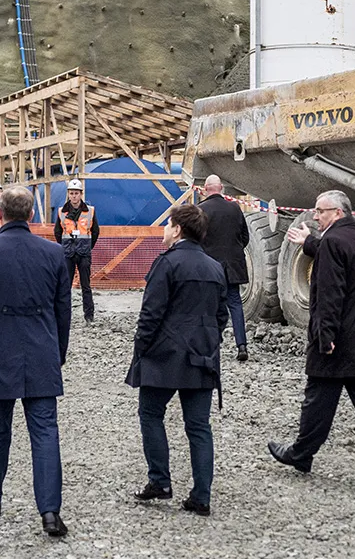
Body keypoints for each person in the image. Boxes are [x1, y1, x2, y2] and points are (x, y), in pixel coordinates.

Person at [0, 185, 71, 537]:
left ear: (0, 214)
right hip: (41, 352)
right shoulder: (54, 254)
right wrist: (58, 354)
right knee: (45, 432)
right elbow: (62, 311)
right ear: (32, 215)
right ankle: (50, 512)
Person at [268, 190, 355, 493]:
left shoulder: (333, 243)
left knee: (317, 403)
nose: (315, 215)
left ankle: (300, 455)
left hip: (337, 342)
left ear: (337, 213)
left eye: (320, 211)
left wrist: (325, 337)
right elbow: (343, 262)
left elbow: (329, 294)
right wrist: (311, 244)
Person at [125, 204, 227, 517]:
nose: (164, 230)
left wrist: (141, 346)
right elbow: (221, 315)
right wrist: (209, 340)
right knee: (199, 427)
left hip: (165, 356)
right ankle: (202, 496)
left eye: (167, 224)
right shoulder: (215, 267)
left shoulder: (166, 264)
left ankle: (160, 481)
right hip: (203, 355)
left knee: (151, 414)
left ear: (178, 229)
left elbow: (151, 313)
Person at [198, 174, 250, 361]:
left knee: (209, 305)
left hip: (210, 266)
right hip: (233, 265)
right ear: (221, 188)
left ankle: (211, 346)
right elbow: (245, 237)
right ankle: (242, 345)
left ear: (205, 189)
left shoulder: (201, 210)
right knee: (235, 304)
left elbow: (197, 239)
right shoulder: (235, 208)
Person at [53, 179, 99, 324]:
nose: (74, 196)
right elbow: (58, 232)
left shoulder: (90, 211)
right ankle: (64, 315)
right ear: (68, 195)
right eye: (72, 193)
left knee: (86, 285)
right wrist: (65, 246)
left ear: (81, 194)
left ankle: (89, 316)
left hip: (84, 252)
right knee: (65, 287)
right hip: (68, 253)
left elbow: (95, 231)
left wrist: (87, 246)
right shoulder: (62, 212)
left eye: (76, 193)